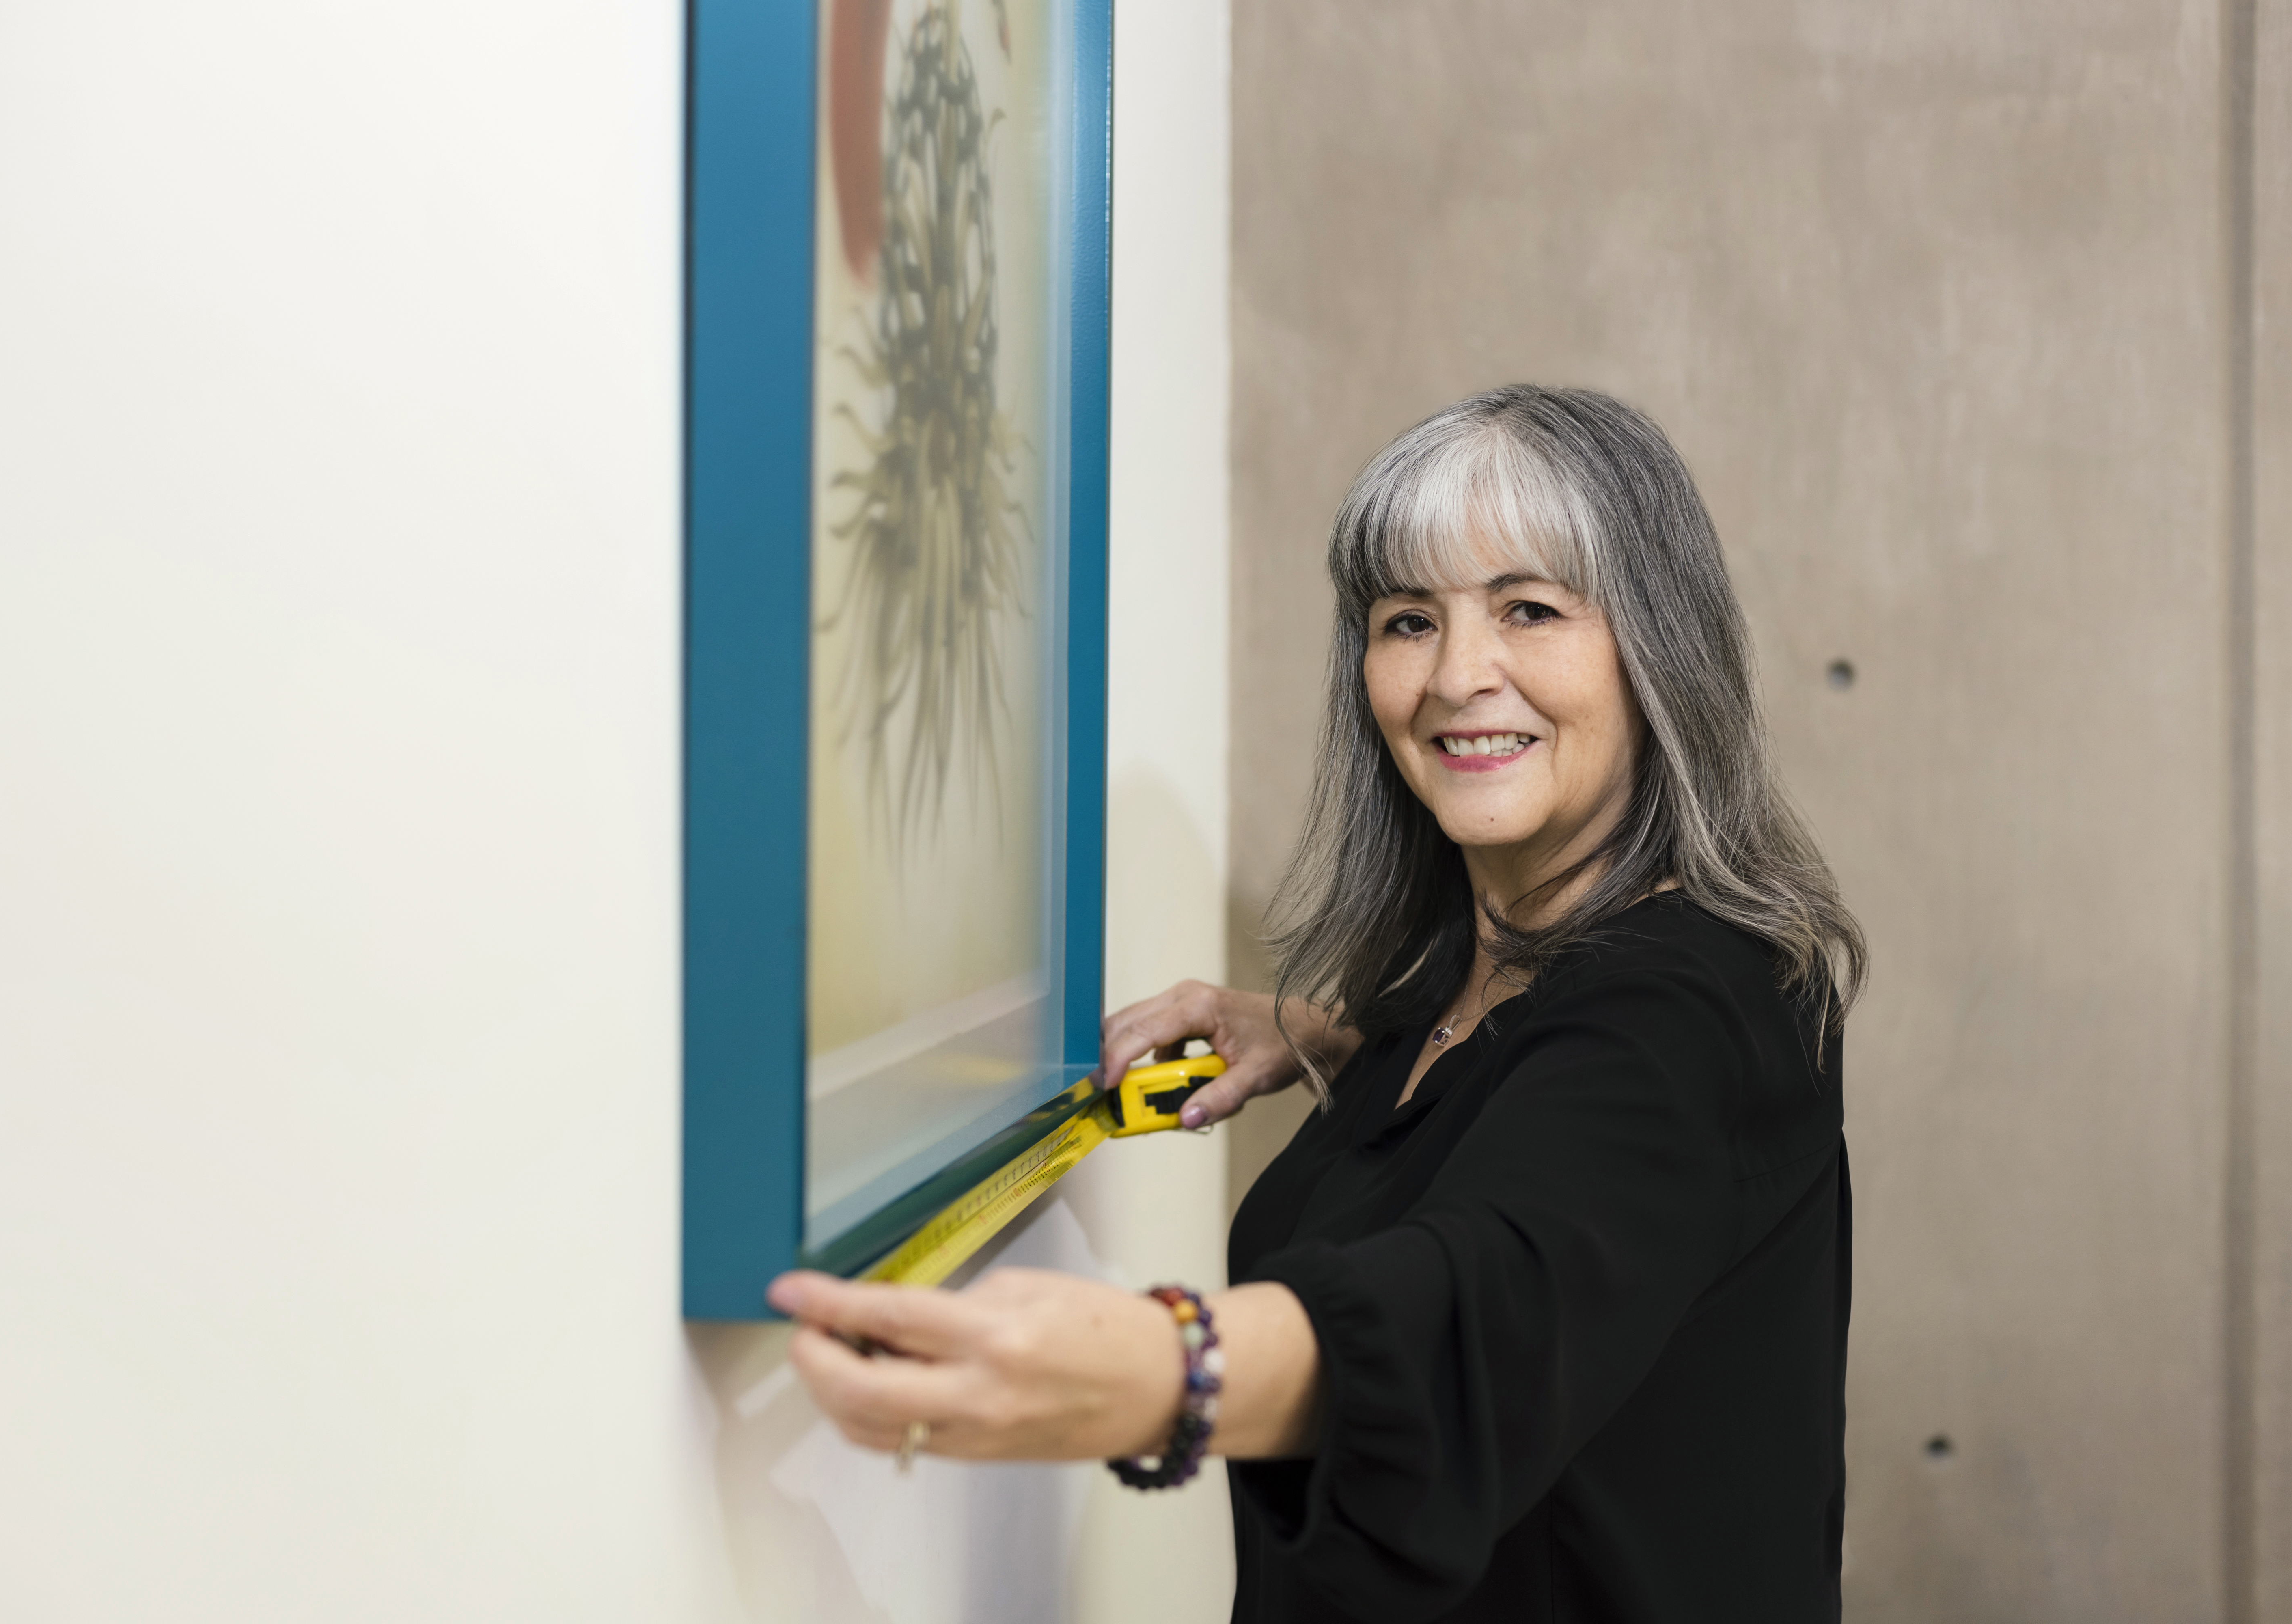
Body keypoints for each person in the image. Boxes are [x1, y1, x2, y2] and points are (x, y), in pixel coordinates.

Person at [770, 385, 1865, 1623]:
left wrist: (1163, 1368)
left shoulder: (1694, 1000)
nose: (1457, 675)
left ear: (1657, 647)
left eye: (1529, 610)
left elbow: (1488, 1295)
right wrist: (1342, 1031)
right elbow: (1524, 1096)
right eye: (1408, 619)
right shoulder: (1470, 974)